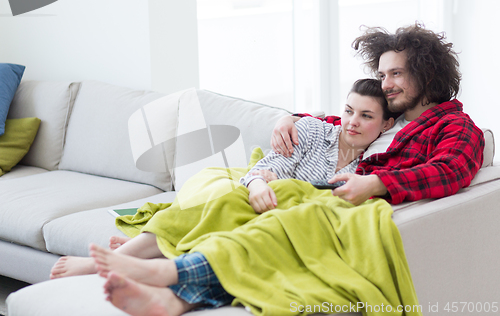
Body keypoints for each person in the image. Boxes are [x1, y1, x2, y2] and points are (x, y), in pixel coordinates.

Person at [50, 78, 394, 279]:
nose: (352, 122)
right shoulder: (311, 130)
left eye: (366, 116)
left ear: (386, 125)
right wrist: (259, 183)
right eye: (349, 111)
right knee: (222, 204)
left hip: (288, 224)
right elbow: (268, 168)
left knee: (236, 233)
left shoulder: (371, 168)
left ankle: (139, 258)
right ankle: (114, 262)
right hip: (260, 200)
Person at [271, 22, 484, 205]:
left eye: (396, 74)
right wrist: (290, 119)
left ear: (426, 75)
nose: (386, 85)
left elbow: (449, 171)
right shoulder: (391, 118)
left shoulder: (455, 125)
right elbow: (343, 123)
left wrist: (376, 183)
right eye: (382, 76)